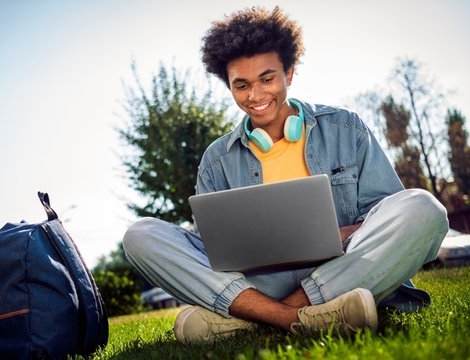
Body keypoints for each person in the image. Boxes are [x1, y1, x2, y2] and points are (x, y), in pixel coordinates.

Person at [122, 6, 448, 343]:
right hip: (260, 281)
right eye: (242, 85)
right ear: (229, 86)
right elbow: (213, 251)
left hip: (341, 266)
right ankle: (303, 317)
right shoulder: (215, 161)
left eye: (267, 78)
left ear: (289, 73)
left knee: (425, 209)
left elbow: (386, 212)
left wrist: (343, 232)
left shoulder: (345, 127)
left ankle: (257, 318)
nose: (256, 95)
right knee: (139, 236)